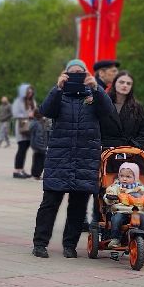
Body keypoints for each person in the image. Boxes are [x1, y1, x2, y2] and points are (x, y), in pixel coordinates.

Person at [32, 59, 113, 259]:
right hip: (60, 158)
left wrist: (96, 88)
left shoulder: (92, 95)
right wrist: (57, 87)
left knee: (77, 206)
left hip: (85, 159)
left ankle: (70, 245)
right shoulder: (59, 95)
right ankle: (40, 244)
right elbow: (46, 111)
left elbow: (108, 111)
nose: (77, 75)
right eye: (72, 72)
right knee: (49, 203)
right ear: (65, 74)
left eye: (80, 72)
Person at [103, 162, 144, 244]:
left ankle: (141, 238)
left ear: (135, 177)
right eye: (122, 176)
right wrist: (110, 197)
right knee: (116, 220)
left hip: (136, 212)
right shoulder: (115, 187)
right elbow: (107, 196)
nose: (124, 179)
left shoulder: (140, 188)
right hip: (120, 211)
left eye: (128, 177)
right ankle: (115, 238)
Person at [101, 71, 144, 151]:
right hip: (105, 154)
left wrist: (135, 148)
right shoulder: (102, 105)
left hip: (130, 155)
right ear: (114, 83)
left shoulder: (138, 109)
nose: (125, 85)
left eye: (128, 83)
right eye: (121, 82)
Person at [11, 84, 37, 178]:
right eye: (28, 92)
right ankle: (17, 170)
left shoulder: (32, 101)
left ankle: (21, 169)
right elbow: (15, 114)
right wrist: (27, 115)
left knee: (25, 149)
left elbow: (35, 111)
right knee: (21, 148)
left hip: (30, 127)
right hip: (21, 127)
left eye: (31, 92)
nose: (30, 93)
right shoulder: (18, 101)